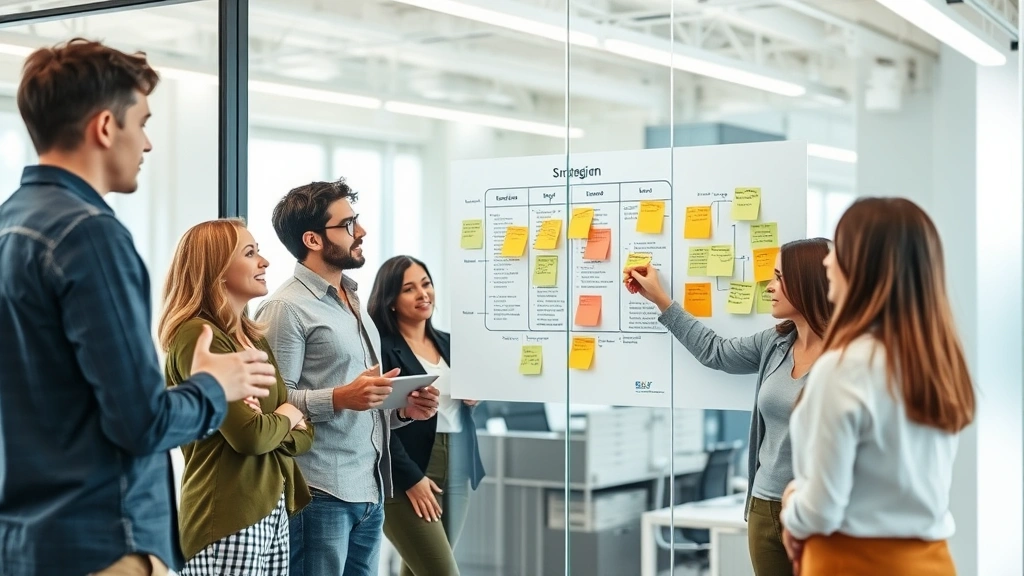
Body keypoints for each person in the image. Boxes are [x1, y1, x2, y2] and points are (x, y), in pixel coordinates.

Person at [0, 39, 277, 576]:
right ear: (106, 127)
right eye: (142, 122)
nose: (147, 143)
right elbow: (140, 423)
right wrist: (214, 387)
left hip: (26, 544)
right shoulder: (90, 236)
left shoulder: (11, 225)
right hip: (100, 544)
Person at [255, 179, 441, 576]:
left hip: (369, 492)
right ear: (313, 239)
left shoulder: (353, 301)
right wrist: (339, 397)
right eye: (348, 224)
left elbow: (362, 402)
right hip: (320, 493)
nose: (361, 231)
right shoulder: (285, 309)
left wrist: (404, 410)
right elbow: (274, 406)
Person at [780, 198, 973, 575]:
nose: (826, 262)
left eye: (838, 251)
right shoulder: (935, 362)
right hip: (931, 562)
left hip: (852, 563)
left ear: (864, 267)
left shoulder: (845, 367)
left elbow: (821, 510)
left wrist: (791, 506)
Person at [626, 238, 833, 576]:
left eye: (778, 277)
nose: (769, 287)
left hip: (818, 510)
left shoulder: (849, 356)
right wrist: (661, 300)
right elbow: (716, 352)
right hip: (765, 507)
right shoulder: (776, 343)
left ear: (807, 282)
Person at [159, 219, 315, 575]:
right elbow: (250, 436)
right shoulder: (199, 335)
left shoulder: (253, 338)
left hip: (271, 510)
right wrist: (288, 415)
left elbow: (306, 435)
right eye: (250, 253)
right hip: (228, 517)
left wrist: (280, 419)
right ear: (216, 270)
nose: (264, 262)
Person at [367, 255, 486, 576]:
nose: (423, 294)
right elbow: (375, 422)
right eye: (409, 289)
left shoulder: (449, 342)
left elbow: (458, 403)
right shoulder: (380, 349)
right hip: (408, 467)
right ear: (390, 300)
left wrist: (473, 400)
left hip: (459, 461)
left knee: (420, 568)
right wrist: (412, 479)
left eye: (426, 284)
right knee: (441, 571)